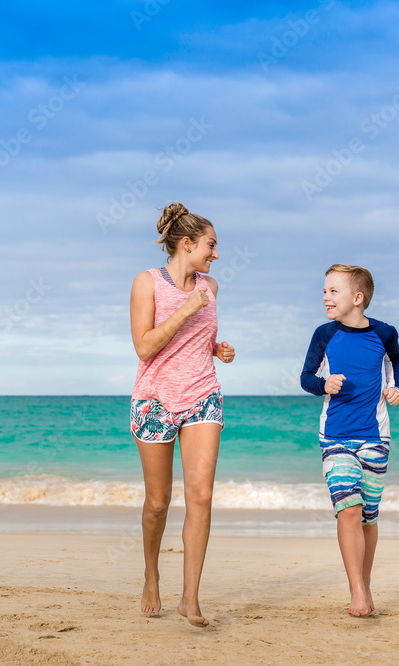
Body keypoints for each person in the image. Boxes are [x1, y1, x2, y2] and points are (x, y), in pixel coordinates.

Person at [128, 201, 236, 627]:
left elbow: (196, 338)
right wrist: (186, 308)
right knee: (158, 502)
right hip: (154, 400)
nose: (215, 254)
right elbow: (145, 346)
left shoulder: (211, 286)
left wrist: (216, 348)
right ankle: (151, 573)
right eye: (210, 245)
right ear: (187, 244)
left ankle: (190, 598)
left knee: (202, 496)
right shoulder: (146, 282)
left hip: (202, 396)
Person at [300, 264, 399, 617]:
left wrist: (395, 387)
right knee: (349, 509)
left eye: (333, 291)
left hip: (375, 436)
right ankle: (356, 590)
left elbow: (395, 361)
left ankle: (365, 582)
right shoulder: (324, 334)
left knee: (369, 518)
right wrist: (322, 385)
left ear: (357, 299)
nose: (326, 297)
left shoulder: (385, 333)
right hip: (335, 437)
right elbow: (306, 377)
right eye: (325, 290)